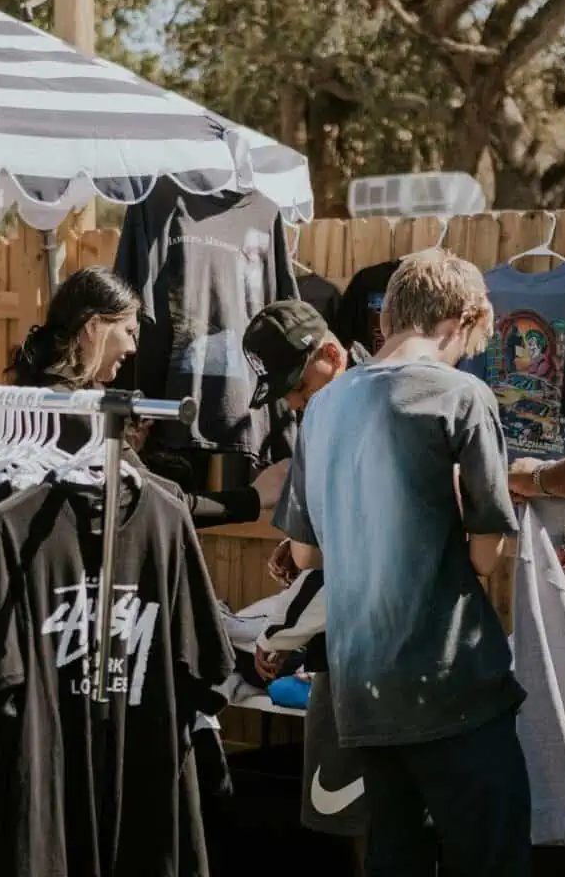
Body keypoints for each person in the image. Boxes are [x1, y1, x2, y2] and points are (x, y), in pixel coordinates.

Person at [279, 249, 530, 877]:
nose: (469, 353)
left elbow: (308, 553)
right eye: (473, 338)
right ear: (462, 318)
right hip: (452, 685)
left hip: (363, 695)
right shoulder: (463, 396)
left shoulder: (325, 408)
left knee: (396, 859)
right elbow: (484, 556)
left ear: (388, 316)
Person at [242, 299, 372, 875]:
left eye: (296, 385)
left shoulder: (341, 416)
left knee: (349, 817)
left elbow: (329, 560)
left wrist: (279, 636)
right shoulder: (367, 395)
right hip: (389, 651)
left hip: (358, 656)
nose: (293, 402)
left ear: (329, 352)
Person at [8, 265, 287, 526]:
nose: (132, 347)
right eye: (128, 331)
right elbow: (161, 503)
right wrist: (255, 497)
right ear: (93, 327)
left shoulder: (36, 391)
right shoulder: (75, 409)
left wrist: (125, 450)